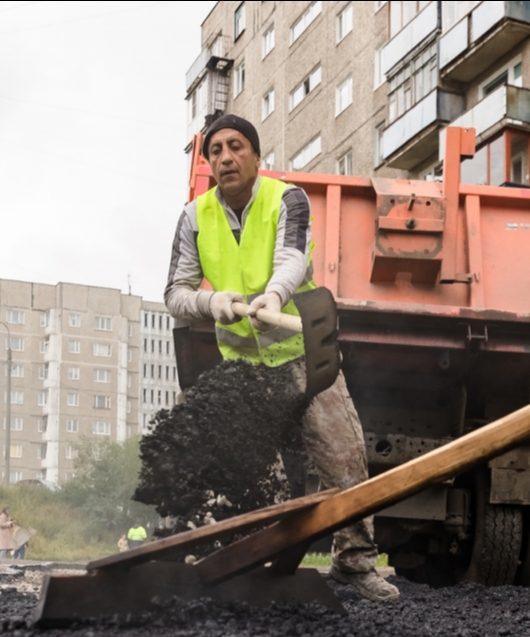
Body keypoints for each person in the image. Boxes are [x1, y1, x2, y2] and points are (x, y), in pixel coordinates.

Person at [164, 115, 398, 602]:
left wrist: (272, 297)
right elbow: (175, 293)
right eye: (216, 151)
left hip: (304, 356)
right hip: (245, 371)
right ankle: (253, 570)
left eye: (236, 146)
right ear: (208, 163)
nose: (225, 157)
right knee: (255, 480)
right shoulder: (194, 217)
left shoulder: (287, 197)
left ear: (255, 155)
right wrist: (212, 302)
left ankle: (353, 565)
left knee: (345, 459)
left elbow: (292, 257)